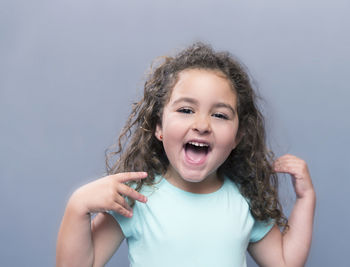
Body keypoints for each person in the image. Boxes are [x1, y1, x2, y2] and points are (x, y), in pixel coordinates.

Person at [56, 42, 316, 267]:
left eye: (219, 115)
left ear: (238, 137)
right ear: (158, 126)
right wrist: (77, 206)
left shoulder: (244, 200)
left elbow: (285, 262)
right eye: (186, 110)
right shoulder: (134, 199)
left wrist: (305, 199)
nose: (202, 125)